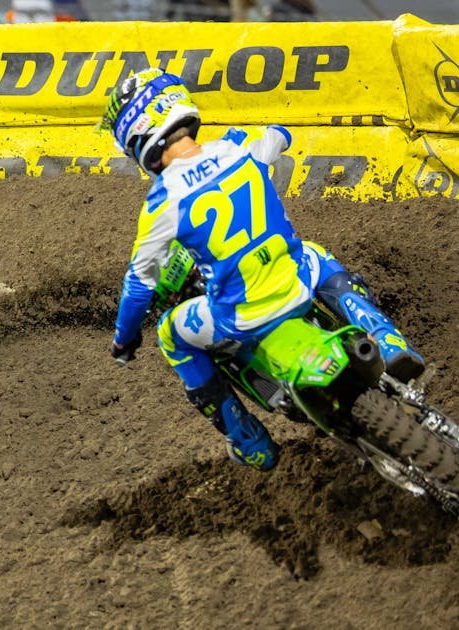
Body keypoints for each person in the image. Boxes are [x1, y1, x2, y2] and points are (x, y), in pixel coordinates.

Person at [101, 68, 426, 471]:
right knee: (313, 252)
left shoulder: (162, 202)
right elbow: (279, 135)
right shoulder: (238, 148)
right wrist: (272, 136)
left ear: (137, 136)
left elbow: (138, 285)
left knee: (171, 334)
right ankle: (390, 343)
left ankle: (250, 440)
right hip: (295, 285)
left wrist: (124, 340)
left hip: (243, 318)